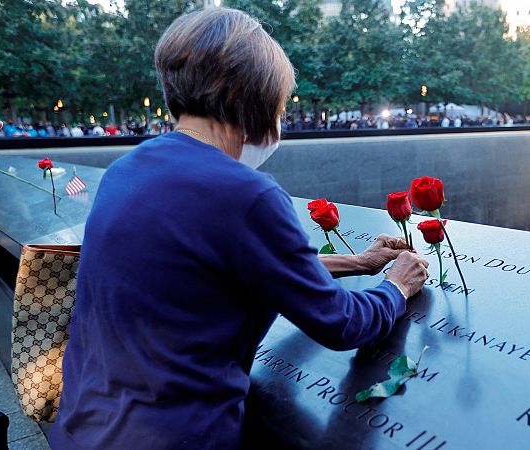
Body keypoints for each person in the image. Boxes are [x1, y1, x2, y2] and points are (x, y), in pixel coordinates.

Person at [51, 8, 429, 450]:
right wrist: (397, 285)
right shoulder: (245, 195)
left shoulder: (126, 170)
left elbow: (220, 269)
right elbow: (342, 325)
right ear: (256, 99)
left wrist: (359, 262)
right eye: (281, 104)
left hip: (83, 426)